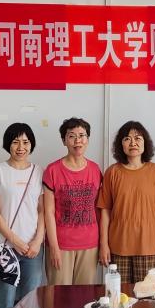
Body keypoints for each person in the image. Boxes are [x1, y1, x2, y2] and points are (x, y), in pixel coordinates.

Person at [0, 122, 46, 308]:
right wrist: (15, 241)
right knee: (6, 303)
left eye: (25, 142)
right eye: (15, 142)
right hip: (6, 248)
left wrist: (37, 241)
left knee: (31, 304)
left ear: (31, 144)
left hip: (33, 249)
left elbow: (42, 210)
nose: (21, 147)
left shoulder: (39, 171)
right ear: (7, 144)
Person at [97, 121, 155, 283]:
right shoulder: (112, 172)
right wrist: (104, 244)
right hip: (118, 246)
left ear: (145, 143)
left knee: (147, 294)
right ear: (121, 144)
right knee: (118, 294)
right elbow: (105, 211)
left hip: (149, 246)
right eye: (127, 139)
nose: (133, 143)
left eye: (138, 138)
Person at [43, 118, 102, 284]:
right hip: (61, 244)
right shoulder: (53, 170)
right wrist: (54, 247)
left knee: (84, 295)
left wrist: (102, 243)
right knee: (59, 295)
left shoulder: (95, 169)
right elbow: (48, 212)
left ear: (88, 139)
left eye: (82, 135)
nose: (78, 140)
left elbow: (98, 209)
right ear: (64, 140)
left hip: (90, 243)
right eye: (71, 136)